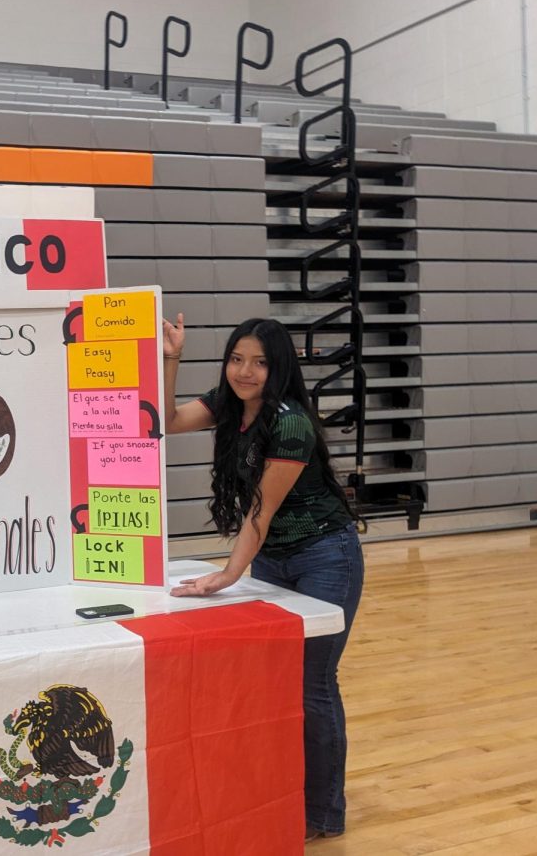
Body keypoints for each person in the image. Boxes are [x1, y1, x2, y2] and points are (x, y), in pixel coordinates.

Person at [161, 314, 363, 843]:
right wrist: (171, 357)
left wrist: (228, 574)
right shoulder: (228, 406)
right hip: (276, 559)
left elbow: (260, 509)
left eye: (259, 362)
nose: (245, 371)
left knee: (313, 684)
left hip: (324, 556)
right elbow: (163, 420)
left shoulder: (290, 421)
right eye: (236, 359)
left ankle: (323, 814)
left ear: (279, 370)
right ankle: (279, 795)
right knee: (274, 683)